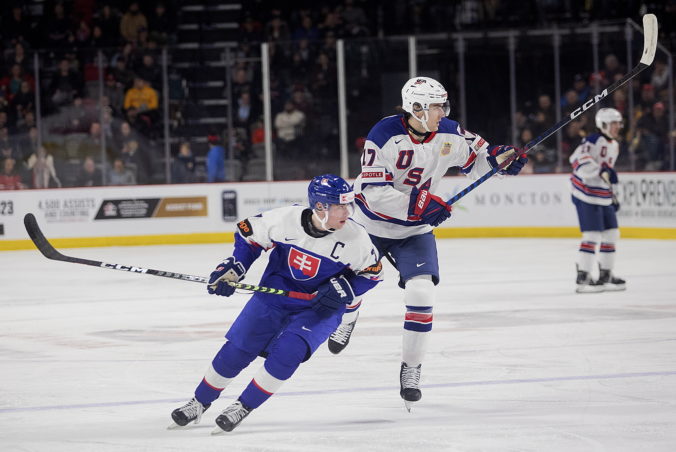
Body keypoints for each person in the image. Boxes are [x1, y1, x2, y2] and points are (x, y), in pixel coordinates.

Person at [327, 77, 528, 411]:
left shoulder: (449, 131)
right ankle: (347, 321)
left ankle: (411, 368)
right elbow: (374, 194)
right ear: (416, 109)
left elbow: (478, 161)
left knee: (421, 293)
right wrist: (420, 203)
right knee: (351, 288)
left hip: (413, 231)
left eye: (442, 105)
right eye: (436, 106)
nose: (442, 112)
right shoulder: (383, 135)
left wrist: (500, 161)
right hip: (371, 225)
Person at [169, 175, 383, 433]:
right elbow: (249, 237)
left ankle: (243, 406)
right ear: (319, 207)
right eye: (338, 206)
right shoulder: (285, 220)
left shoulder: (355, 238)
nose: (346, 212)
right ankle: (199, 402)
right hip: (275, 294)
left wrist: (344, 289)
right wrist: (235, 267)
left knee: (288, 354)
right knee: (237, 350)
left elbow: (372, 273)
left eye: (348, 205)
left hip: (319, 306)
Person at [569, 108, 626, 293]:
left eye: (618, 123)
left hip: (602, 195)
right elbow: (577, 158)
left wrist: (613, 194)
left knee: (611, 234)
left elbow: (607, 173)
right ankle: (583, 278)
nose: (617, 127)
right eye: (614, 123)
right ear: (603, 124)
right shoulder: (592, 140)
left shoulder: (615, 145)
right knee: (592, 235)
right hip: (585, 194)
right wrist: (598, 170)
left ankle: (605, 275)